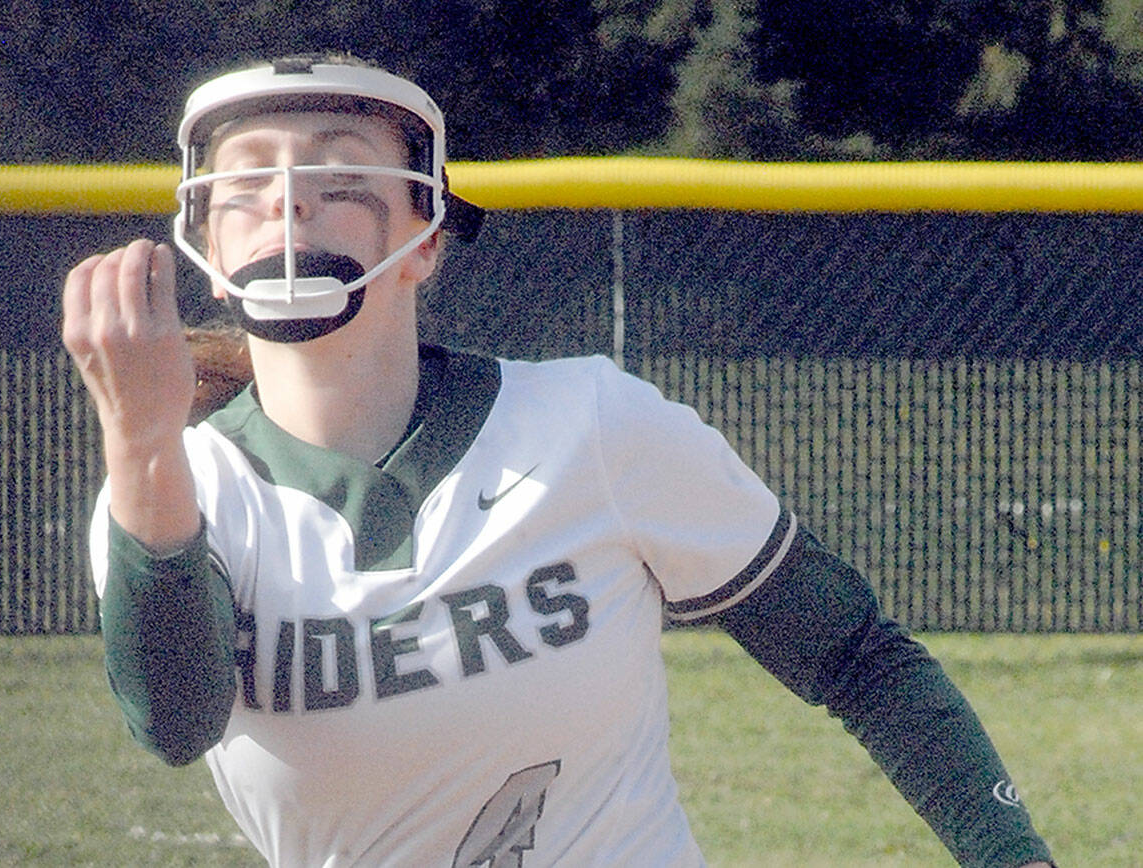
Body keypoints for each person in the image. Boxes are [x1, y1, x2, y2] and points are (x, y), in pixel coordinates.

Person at [62, 52, 1056, 867]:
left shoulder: (589, 425)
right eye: (250, 183)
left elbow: (856, 654)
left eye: (335, 176)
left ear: (427, 240)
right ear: (202, 237)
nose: (288, 207)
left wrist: (1013, 854)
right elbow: (177, 724)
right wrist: (145, 446)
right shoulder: (177, 493)